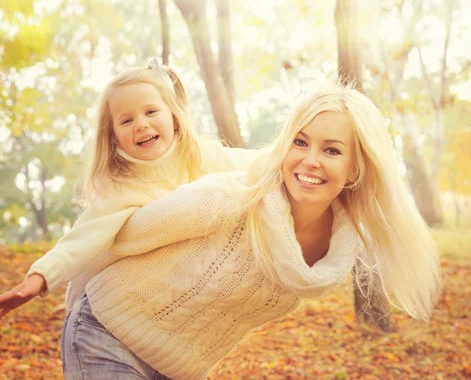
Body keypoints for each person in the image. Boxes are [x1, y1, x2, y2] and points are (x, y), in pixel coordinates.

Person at [58, 83, 441, 380]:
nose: (310, 160)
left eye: (332, 150)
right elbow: (122, 237)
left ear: (356, 168)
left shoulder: (339, 250)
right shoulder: (232, 197)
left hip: (175, 367)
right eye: (301, 142)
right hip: (104, 333)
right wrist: (52, 279)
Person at [0, 60, 254, 320]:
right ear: (114, 137)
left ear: (174, 117)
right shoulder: (123, 187)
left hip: (160, 319)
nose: (141, 124)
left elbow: (262, 164)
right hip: (94, 317)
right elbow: (81, 241)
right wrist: (37, 280)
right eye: (126, 121)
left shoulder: (204, 156)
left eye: (151, 111)